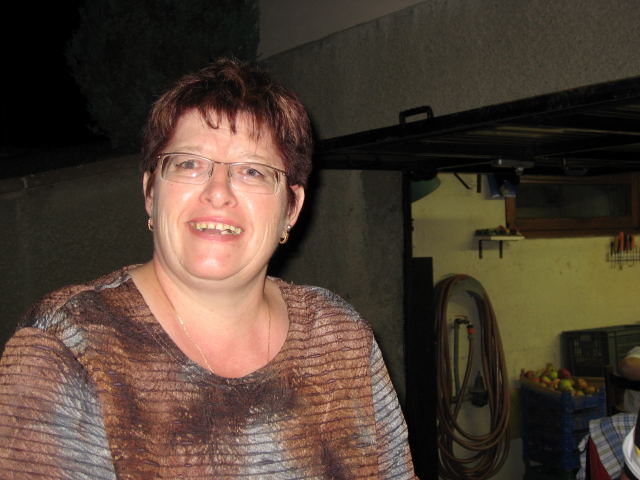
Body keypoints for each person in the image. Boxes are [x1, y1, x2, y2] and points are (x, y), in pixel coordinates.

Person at [0, 58, 416, 479]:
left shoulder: (340, 338)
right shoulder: (67, 345)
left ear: (291, 208)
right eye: (189, 164)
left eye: (252, 171)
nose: (218, 192)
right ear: (150, 191)